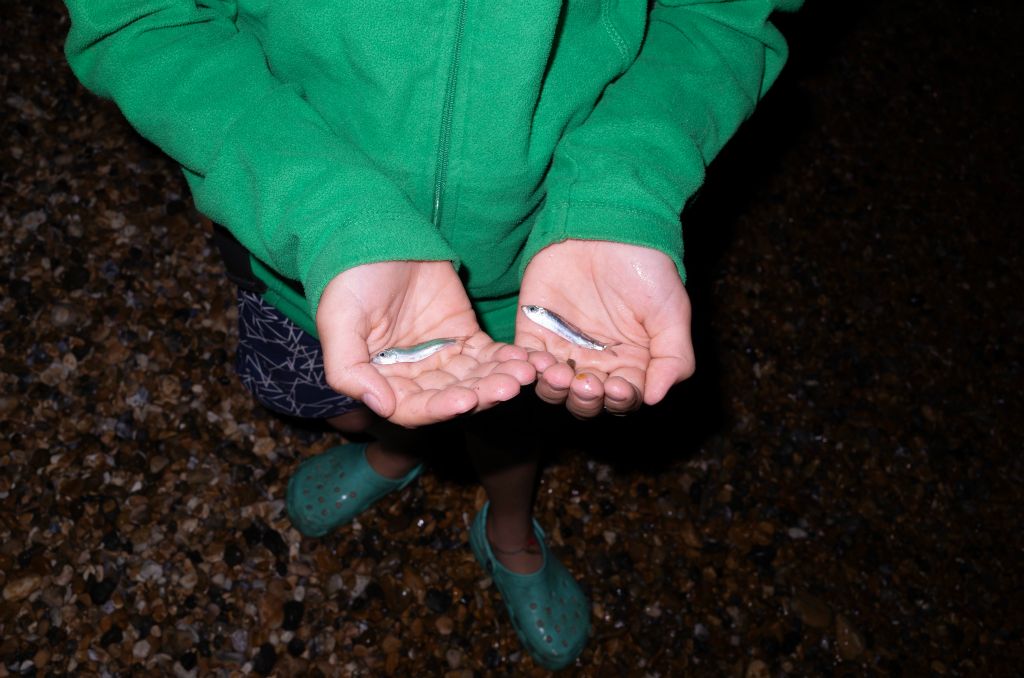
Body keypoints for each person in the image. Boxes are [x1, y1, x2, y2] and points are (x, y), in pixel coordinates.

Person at [62, 0, 801, 669]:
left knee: (511, 424)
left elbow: (717, 18)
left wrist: (619, 191)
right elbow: (142, 19)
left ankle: (509, 528)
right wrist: (328, 212)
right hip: (307, 256)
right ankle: (396, 448)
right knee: (349, 387)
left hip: (541, 269)